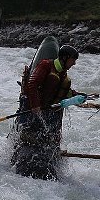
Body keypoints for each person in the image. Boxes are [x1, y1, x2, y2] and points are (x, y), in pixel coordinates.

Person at [11, 45, 85, 180]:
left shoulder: (63, 73)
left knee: (49, 137)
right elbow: (32, 84)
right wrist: (35, 106)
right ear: (64, 58)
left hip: (49, 112)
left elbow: (63, 91)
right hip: (35, 111)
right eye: (73, 60)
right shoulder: (45, 65)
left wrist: (77, 96)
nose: (74, 63)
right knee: (32, 134)